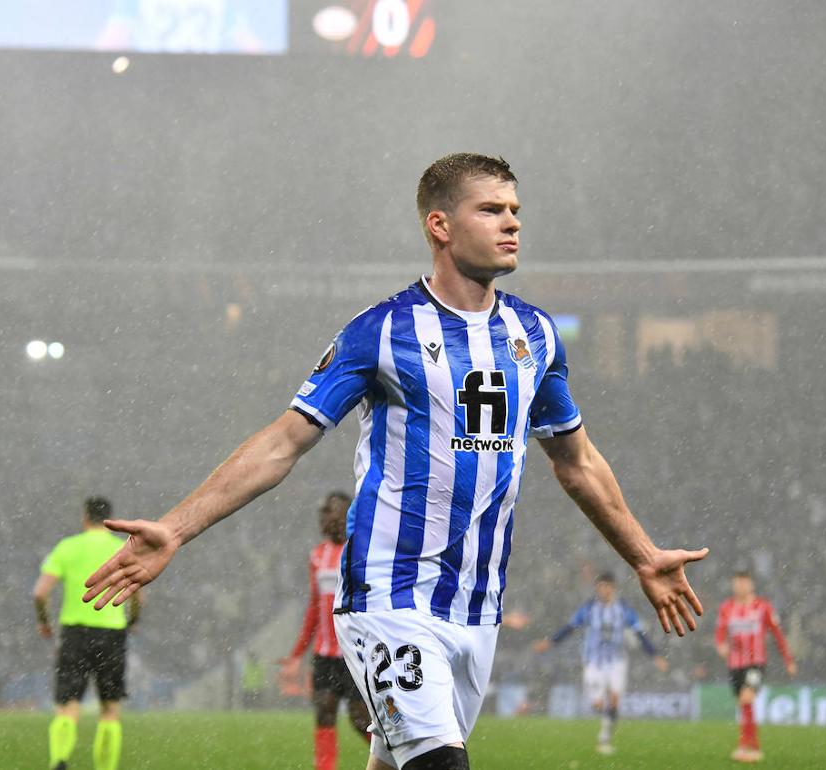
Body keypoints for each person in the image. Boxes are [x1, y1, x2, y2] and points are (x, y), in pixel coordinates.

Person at [83, 153, 709, 770]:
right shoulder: (381, 330)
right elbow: (284, 442)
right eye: (490, 210)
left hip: (477, 605)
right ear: (440, 225)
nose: (511, 222)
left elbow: (577, 461)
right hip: (390, 596)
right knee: (441, 765)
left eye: (515, 210)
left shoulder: (535, 335)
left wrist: (643, 556)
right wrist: (176, 527)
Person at [34, 496, 143, 770]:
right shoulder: (122, 550)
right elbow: (138, 596)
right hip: (112, 633)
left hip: (75, 632)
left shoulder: (67, 547)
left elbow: (40, 593)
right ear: (110, 519)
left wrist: (44, 621)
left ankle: (59, 760)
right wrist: (133, 620)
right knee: (110, 709)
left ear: (84, 517)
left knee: (68, 704)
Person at [281, 491, 372, 770]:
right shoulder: (317, 555)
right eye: (323, 513)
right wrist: (297, 654)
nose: (326, 518)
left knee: (360, 719)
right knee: (324, 712)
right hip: (325, 653)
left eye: (332, 511)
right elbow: (313, 608)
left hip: (355, 652)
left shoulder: (361, 551)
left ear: (347, 514)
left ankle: (396, 759)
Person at [532, 572, 669, 755]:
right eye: (600, 586)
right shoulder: (589, 609)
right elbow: (570, 628)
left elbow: (639, 634)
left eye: (606, 586)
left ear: (613, 587)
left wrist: (655, 656)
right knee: (597, 704)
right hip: (593, 661)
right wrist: (550, 642)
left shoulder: (623, 608)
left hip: (617, 661)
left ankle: (604, 738)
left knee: (614, 699)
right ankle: (605, 721)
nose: (603, 590)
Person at [714, 569, 795, 763]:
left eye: (744, 582)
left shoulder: (763, 607)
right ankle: (749, 746)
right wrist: (721, 645)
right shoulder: (727, 607)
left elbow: (777, 634)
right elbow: (720, 632)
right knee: (743, 704)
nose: (740, 586)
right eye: (737, 583)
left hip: (755, 663)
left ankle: (749, 747)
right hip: (734, 664)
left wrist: (788, 659)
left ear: (751, 585)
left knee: (747, 698)